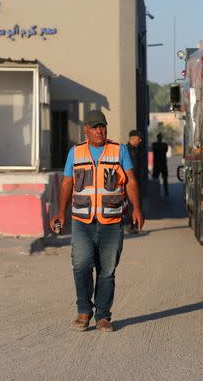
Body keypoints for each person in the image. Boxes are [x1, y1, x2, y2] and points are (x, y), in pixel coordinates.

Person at [50, 110, 144, 332]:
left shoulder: (119, 150)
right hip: (82, 221)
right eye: (94, 127)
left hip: (111, 221)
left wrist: (137, 208)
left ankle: (103, 315)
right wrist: (60, 212)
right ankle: (84, 310)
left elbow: (130, 181)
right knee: (81, 265)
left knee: (106, 271)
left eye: (102, 126)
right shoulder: (76, 152)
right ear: (86, 130)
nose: (99, 130)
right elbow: (66, 183)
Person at [151, 133, 169, 197]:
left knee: (164, 179)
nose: (160, 138)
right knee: (156, 179)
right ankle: (157, 192)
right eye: (159, 137)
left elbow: (164, 150)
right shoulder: (161, 145)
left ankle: (165, 192)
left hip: (161, 164)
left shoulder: (159, 145)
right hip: (158, 164)